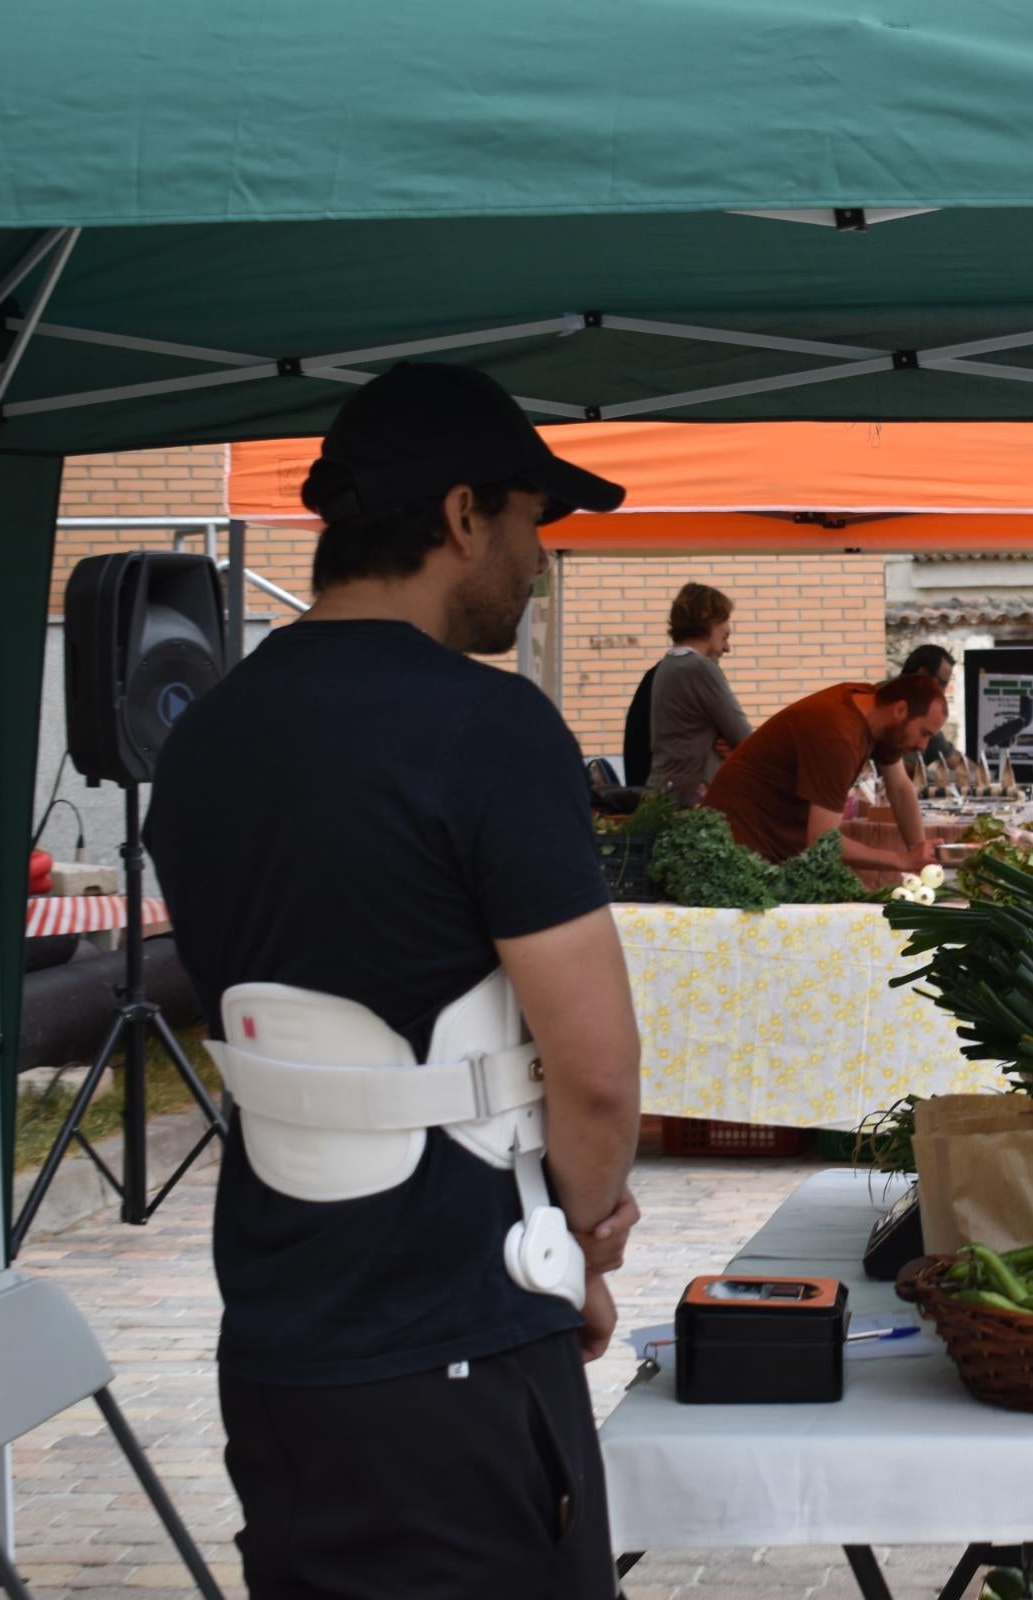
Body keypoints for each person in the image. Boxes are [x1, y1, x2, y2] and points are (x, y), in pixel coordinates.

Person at [145, 363, 642, 1599]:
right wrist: (579, 1242)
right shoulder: (493, 727)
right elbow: (594, 1072)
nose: (537, 564)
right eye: (533, 525)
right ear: (464, 514)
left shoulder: (202, 736)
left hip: (275, 1350)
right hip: (456, 1348)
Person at [702, 673, 945, 868]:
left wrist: (922, 858)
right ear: (900, 710)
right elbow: (822, 841)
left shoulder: (879, 714)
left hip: (775, 847)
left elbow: (901, 788)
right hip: (738, 844)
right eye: (924, 733)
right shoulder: (838, 736)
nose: (923, 746)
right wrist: (901, 860)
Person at [646, 582, 752, 806]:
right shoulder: (699, 668)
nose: (727, 648)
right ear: (709, 622)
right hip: (692, 799)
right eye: (724, 636)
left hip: (666, 793)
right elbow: (745, 739)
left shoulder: (669, 665)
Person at [900, 643, 964, 773]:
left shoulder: (923, 712)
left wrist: (984, 772)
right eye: (942, 683)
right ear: (922, 675)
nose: (943, 692)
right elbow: (894, 770)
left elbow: (953, 760)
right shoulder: (890, 707)